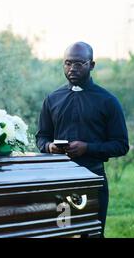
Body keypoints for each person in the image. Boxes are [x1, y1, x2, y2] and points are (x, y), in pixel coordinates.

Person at [35, 41, 129, 237]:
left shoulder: (108, 101)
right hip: (58, 182)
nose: (72, 69)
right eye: (68, 63)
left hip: (93, 181)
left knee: (92, 234)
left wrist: (88, 148)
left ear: (91, 65)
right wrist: (50, 146)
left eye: (79, 63)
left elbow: (121, 145)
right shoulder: (52, 99)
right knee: (60, 233)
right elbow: (41, 138)